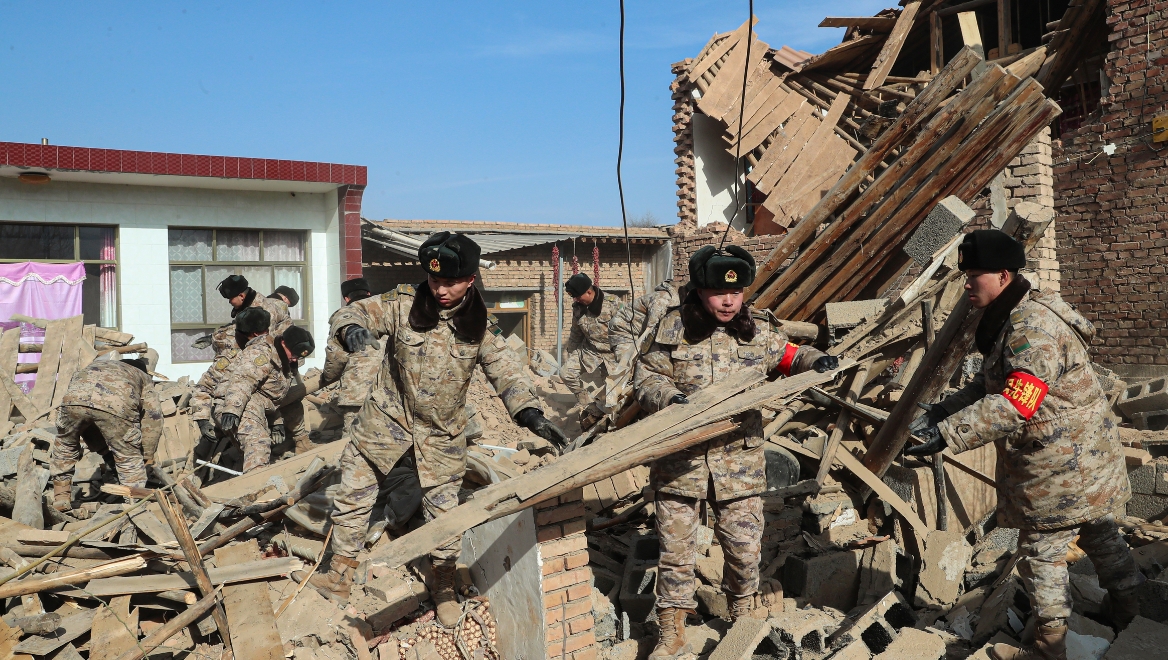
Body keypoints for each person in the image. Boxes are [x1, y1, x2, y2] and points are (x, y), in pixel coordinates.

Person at [904, 230, 1143, 660]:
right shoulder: (1014, 314)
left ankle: (1049, 648)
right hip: (1080, 459)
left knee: (1040, 556)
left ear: (1003, 275)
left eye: (974, 275)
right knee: (1100, 533)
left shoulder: (1030, 328)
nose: (967, 285)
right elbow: (990, 384)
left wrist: (949, 433)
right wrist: (942, 412)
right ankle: (1133, 614)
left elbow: (1016, 401)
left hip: (1062, 467)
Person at [308, 232, 568, 626]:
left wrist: (531, 414)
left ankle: (444, 584)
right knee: (353, 499)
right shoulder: (402, 304)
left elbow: (507, 372)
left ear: (471, 279)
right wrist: (351, 330)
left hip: (442, 436)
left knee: (443, 517)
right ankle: (339, 575)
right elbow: (353, 312)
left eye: (450, 282)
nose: (440, 290)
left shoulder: (479, 326)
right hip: (384, 423)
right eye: (434, 281)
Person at [634, 246, 838, 660]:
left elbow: (791, 356)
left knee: (744, 550)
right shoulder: (673, 327)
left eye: (736, 292)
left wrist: (817, 361)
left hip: (738, 464)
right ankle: (672, 631)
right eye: (718, 293)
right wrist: (669, 398)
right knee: (675, 554)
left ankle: (740, 617)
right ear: (699, 290)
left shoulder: (756, 329)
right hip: (681, 462)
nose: (729, 301)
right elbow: (647, 377)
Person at [51, 349, 163, 514]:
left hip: (74, 402)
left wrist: (105, 450)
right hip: (115, 406)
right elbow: (153, 419)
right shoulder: (142, 376)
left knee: (65, 445)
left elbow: (87, 411)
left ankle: (61, 497)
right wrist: (146, 456)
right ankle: (134, 506)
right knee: (128, 457)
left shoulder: (95, 366)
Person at [213, 307, 315, 473]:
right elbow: (243, 380)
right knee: (257, 441)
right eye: (294, 354)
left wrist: (277, 421)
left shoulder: (285, 356)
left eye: (299, 357)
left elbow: (272, 395)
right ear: (284, 343)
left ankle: (301, 443)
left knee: (294, 401)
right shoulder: (260, 353)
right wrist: (232, 410)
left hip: (258, 401)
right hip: (236, 402)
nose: (295, 359)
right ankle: (257, 480)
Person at [321, 278, 381, 430]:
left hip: (358, 392)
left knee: (354, 438)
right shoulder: (386, 311)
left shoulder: (345, 314)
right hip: (389, 393)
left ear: (346, 298)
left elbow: (336, 356)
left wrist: (327, 377)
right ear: (369, 293)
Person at [560, 273, 620, 416]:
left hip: (613, 353)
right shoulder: (578, 308)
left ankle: (610, 416)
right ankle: (586, 403)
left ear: (589, 292)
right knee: (566, 373)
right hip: (590, 350)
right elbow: (576, 332)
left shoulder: (612, 303)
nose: (576, 300)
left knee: (613, 394)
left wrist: (625, 356)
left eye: (578, 296)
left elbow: (628, 331)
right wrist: (572, 353)